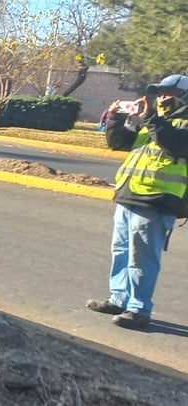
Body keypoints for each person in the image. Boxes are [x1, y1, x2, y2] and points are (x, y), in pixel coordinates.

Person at [86, 74, 188, 329]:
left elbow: (175, 144)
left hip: (157, 199)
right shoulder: (153, 120)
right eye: (160, 93)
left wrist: (152, 116)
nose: (162, 97)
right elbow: (119, 142)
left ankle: (139, 309)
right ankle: (119, 298)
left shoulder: (179, 122)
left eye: (168, 93)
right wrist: (116, 118)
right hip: (130, 194)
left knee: (142, 258)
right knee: (120, 252)